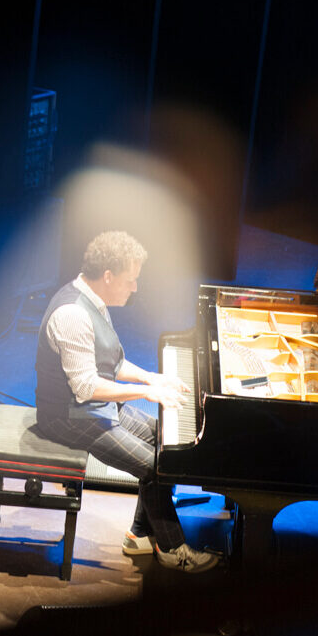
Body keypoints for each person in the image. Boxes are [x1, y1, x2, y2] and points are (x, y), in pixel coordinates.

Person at [35, 230, 219, 574]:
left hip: (89, 408)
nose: (135, 288)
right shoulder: (73, 314)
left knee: (163, 443)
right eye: (130, 280)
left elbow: (114, 363)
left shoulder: (95, 300)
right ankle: (172, 548)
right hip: (68, 417)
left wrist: (153, 378)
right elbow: (86, 388)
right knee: (154, 467)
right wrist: (145, 393)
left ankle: (139, 535)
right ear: (108, 276)